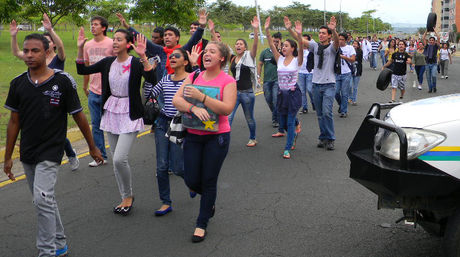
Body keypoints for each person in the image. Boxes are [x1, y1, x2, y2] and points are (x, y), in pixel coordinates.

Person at [4, 33, 103, 257]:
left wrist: (92, 147)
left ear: (47, 52)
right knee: (43, 200)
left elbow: (79, 117)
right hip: (28, 150)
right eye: (26, 50)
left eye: (35, 50)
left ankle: (46, 251)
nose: (29, 55)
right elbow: (13, 122)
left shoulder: (63, 81)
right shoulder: (18, 83)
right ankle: (60, 243)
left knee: (42, 198)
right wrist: (8, 156)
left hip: (51, 149)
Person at [76, 28, 155, 215]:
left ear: (128, 45)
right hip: (111, 110)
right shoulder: (107, 62)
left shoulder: (135, 62)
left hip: (130, 112)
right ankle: (125, 196)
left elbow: (152, 78)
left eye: (119, 40)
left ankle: (128, 195)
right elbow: (82, 70)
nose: (115, 42)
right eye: (114, 39)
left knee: (120, 158)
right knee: (115, 160)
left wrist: (143, 56)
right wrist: (80, 49)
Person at [172, 41, 236, 243]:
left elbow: (226, 109)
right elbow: (177, 100)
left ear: (222, 58)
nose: (206, 54)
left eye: (212, 52)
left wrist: (201, 98)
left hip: (217, 138)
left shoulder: (228, 81)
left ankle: (202, 222)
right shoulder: (194, 76)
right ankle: (209, 204)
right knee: (190, 178)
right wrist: (192, 108)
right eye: (205, 52)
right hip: (193, 135)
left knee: (209, 180)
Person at [9, 14, 80, 171]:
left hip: (55, 99)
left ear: (52, 44)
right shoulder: (34, 57)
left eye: (48, 42)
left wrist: (50, 30)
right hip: (36, 99)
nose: (46, 44)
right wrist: (13, 36)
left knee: (57, 134)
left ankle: (71, 154)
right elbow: (16, 52)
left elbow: (61, 47)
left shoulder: (58, 58)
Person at [145, 47, 200, 216]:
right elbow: (150, 94)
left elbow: (203, 85)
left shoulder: (191, 78)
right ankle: (165, 202)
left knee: (177, 168)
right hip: (162, 123)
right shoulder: (165, 79)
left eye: (177, 56)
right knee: (161, 166)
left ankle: (192, 183)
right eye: (171, 56)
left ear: (185, 61)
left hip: (181, 125)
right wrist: (148, 74)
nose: (172, 58)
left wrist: (195, 64)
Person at [116, 10, 206, 76]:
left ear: (177, 38)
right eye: (165, 35)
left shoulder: (182, 51)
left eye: (170, 35)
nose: (167, 37)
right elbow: (144, 39)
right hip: (161, 92)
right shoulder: (161, 51)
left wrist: (201, 26)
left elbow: (193, 40)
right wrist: (127, 27)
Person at [265, 16, 304, 159]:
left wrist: (299, 35)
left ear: (292, 48)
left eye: (286, 46)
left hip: (293, 94)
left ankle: (287, 148)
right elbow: (271, 44)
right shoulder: (279, 59)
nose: (283, 47)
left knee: (289, 120)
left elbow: (301, 48)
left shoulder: (297, 60)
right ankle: (296, 125)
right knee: (283, 120)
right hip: (282, 94)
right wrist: (267, 30)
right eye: (283, 46)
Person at [304, 17, 339, 151]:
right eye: (320, 32)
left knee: (327, 112)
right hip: (316, 85)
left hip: (329, 84)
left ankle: (330, 138)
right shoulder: (315, 46)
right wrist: (292, 29)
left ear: (329, 36)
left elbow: (336, 42)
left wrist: (334, 30)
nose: (321, 34)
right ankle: (323, 136)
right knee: (319, 114)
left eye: (324, 33)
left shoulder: (331, 48)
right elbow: (301, 40)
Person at [83, 15, 114, 167]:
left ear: (104, 28)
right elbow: (86, 66)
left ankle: (119, 154)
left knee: (112, 124)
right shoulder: (87, 45)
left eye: (96, 24)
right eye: (92, 24)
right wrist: (85, 85)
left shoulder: (112, 43)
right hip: (93, 90)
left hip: (110, 91)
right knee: (96, 125)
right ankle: (101, 156)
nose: (92, 27)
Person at [228, 16, 260, 147]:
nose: (238, 45)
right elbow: (220, 45)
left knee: (249, 118)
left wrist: (255, 29)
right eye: (237, 44)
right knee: (228, 118)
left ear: (245, 47)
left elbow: (256, 45)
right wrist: (212, 31)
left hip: (247, 93)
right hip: (234, 93)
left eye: (241, 44)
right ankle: (224, 140)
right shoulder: (233, 58)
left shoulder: (249, 57)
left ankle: (253, 138)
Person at [258, 32, 282, 127]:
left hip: (278, 80)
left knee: (276, 100)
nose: (275, 43)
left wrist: (279, 48)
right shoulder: (265, 52)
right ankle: (275, 113)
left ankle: (275, 119)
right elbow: (260, 64)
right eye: (274, 41)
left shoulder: (282, 53)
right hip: (267, 80)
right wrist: (258, 76)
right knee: (269, 99)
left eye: (277, 41)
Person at [335, 33, 356, 118]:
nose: (340, 41)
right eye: (339, 39)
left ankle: (344, 111)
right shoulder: (335, 47)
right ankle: (341, 105)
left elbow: (352, 60)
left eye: (342, 39)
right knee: (336, 92)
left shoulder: (350, 48)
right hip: (336, 73)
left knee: (344, 93)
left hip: (346, 73)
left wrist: (343, 57)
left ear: (346, 40)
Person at [297, 34, 315, 114]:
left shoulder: (311, 50)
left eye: (305, 40)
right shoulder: (298, 50)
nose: (303, 42)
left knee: (310, 89)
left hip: (310, 72)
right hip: (301, 72)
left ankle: (314, 103)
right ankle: (304, 107)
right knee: (302, 91)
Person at [423, 29, 440, 93]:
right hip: (427, 63)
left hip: (434, 64)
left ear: (434, 41)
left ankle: (434, 86)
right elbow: (423, 38)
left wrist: (434, 30)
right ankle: (430, 88)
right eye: (430, 40)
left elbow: (438, 37)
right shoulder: (427, 46)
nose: (431, 41)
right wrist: (427, 30)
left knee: (433, 75)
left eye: (432, 40)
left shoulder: (436, 46)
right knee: (428, 77)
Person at [349, 40, 363, 105]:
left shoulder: (360, 51)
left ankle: (354, 100)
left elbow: (358, 60)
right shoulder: (349, 50)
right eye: (353, 43)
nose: (354, 45)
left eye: (356, 44)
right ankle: (350, 98)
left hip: (357, 70)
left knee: (355, 87)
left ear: (358, 45)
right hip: (350, 70)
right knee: (349, 85)